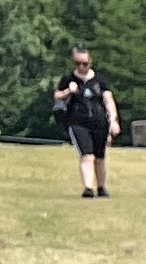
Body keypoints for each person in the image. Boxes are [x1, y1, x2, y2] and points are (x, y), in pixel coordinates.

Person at [49, 47, 117, 196]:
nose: (81, 67)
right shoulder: (69, 80)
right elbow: (57, 96)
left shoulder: (100, 80)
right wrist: (68, 91)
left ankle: (101, 187)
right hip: (78, 122)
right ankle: (88, 188)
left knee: (100, 157)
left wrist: (113, 121)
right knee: (86, 155)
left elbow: (108, 100)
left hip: (99, 122)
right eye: (77, 63)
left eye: (84, 63)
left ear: (90, 62)